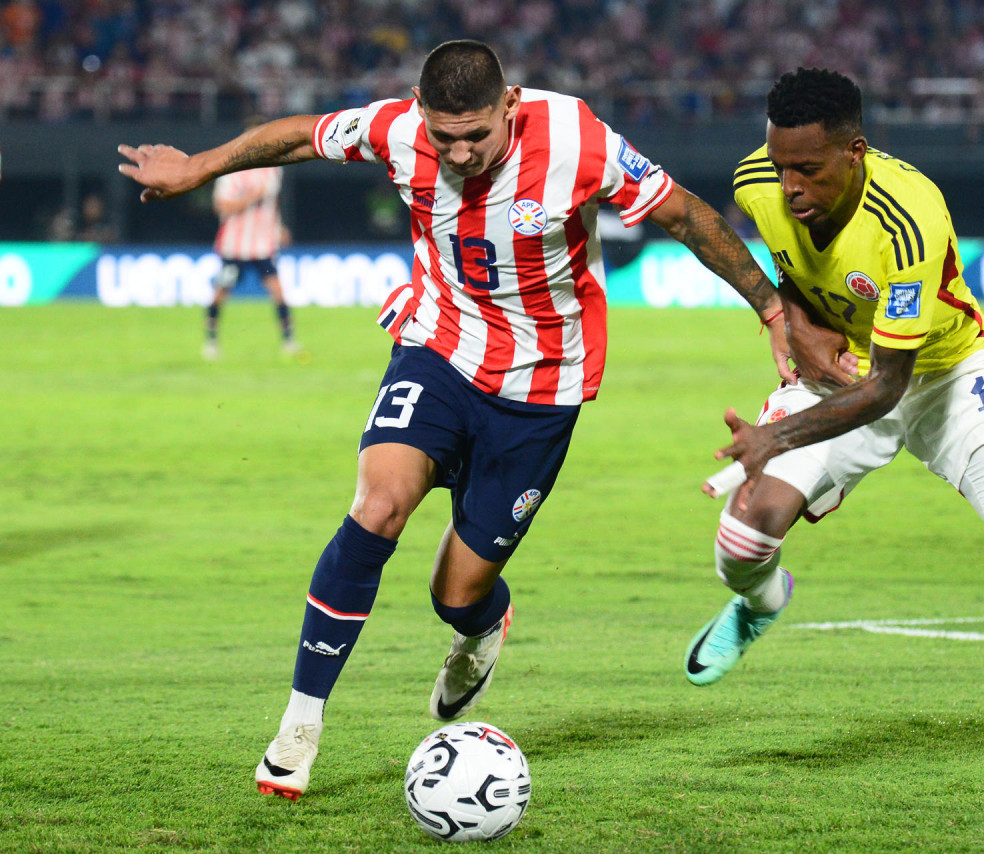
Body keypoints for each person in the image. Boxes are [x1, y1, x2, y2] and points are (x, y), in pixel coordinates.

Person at [118, 39, 789, 801]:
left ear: (509, 106)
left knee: (457, 595)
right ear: (420, 112)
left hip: (543, 384)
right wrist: (203, 164)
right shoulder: (398, 129)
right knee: (377, 508)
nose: (462, 152)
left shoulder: (577, 140)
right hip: (438, 347)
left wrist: (770, 306)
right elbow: (302, 134)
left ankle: (480, 631)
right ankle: (300, 726)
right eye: (446, 137)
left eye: (478, 134)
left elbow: (685, 214)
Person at [685, 67, 984, 794]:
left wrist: (779, 435)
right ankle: (764, 602)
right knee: (741, 544)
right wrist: (787, 315)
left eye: (807, 169)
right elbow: (750, 248)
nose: (789, 186)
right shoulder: (757, 181)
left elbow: (889, 387)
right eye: (780, 166)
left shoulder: (908, 215)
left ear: (855, 151)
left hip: (952, 377)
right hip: (843, 371)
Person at [204, 120, 298, 360]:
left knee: (278, 292)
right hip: (235, 247)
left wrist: (279, 227)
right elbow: (221, 205)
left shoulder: (274, 169)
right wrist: (251, 197)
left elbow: (272, 203)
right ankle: (211, 341)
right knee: (220, 294)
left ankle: (289, 341)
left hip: (263, 246)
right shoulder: (231, 170)